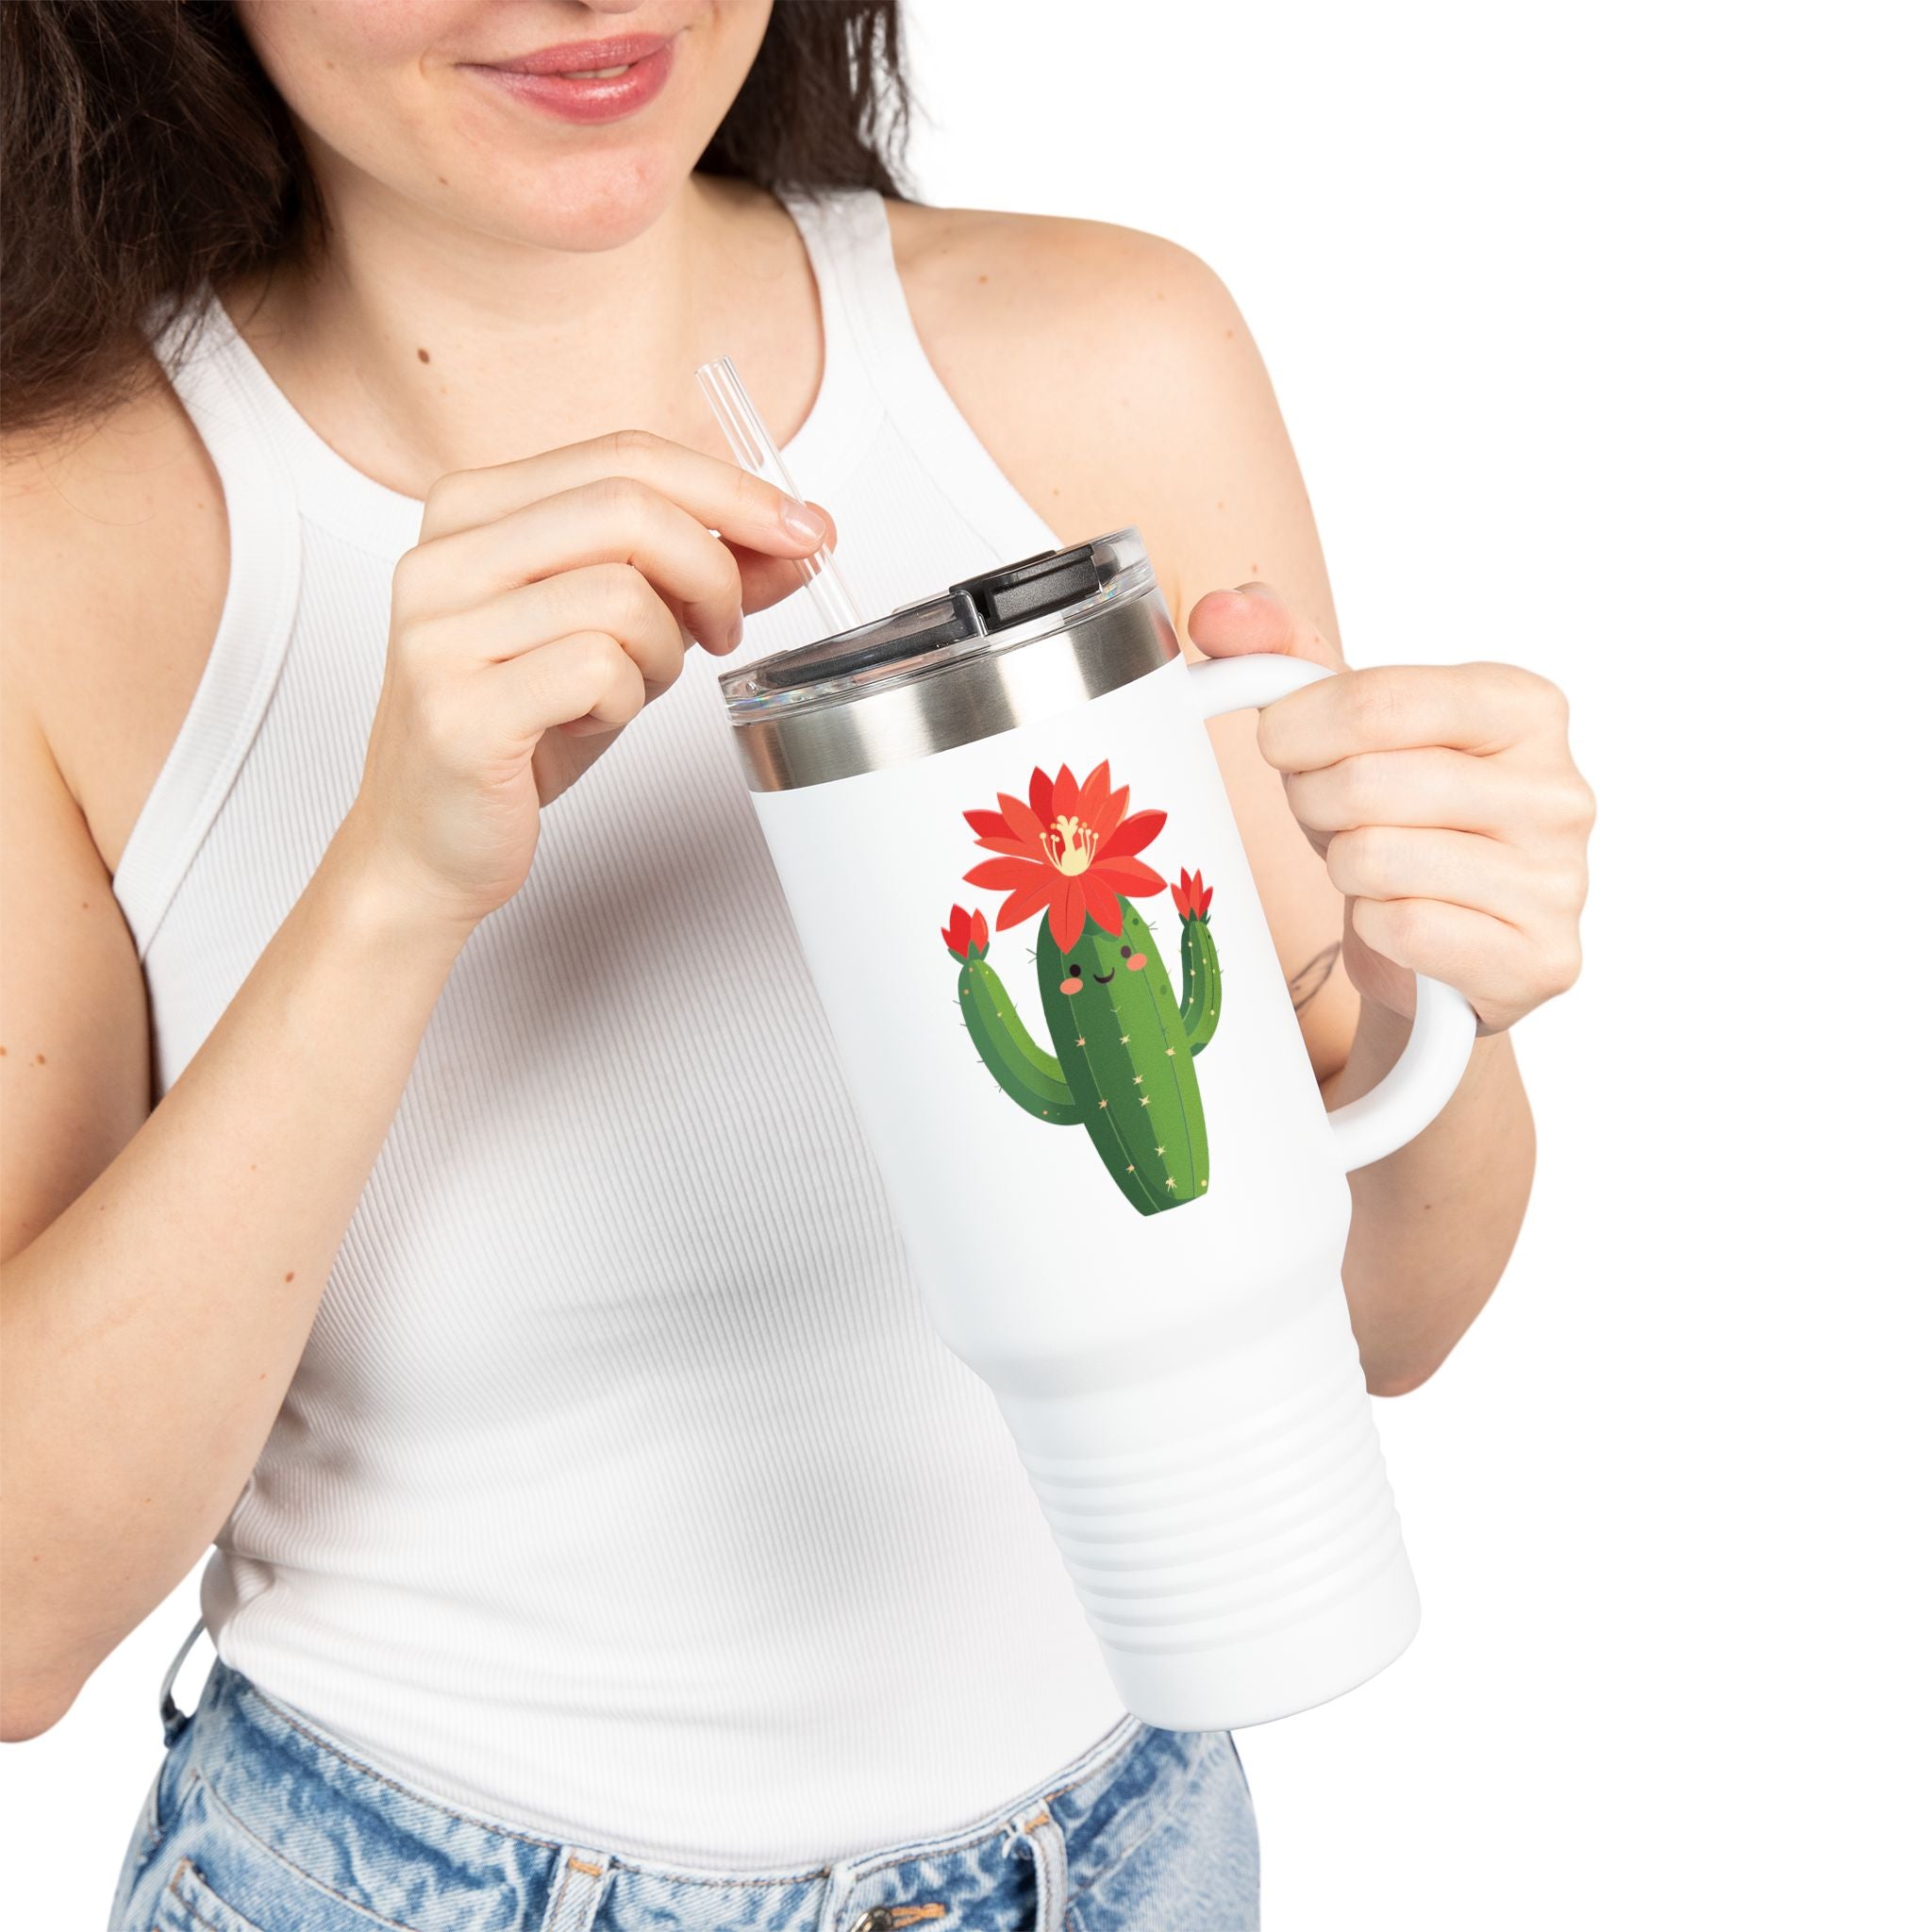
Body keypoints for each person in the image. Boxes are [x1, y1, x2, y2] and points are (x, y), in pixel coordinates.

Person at [0, 4, 1594, 1927]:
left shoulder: (1098, 357)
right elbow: (20, 1619)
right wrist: (392, 881)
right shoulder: (55, 537)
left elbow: (1382, 1322)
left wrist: (1442, 998)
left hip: (1125, 1855)